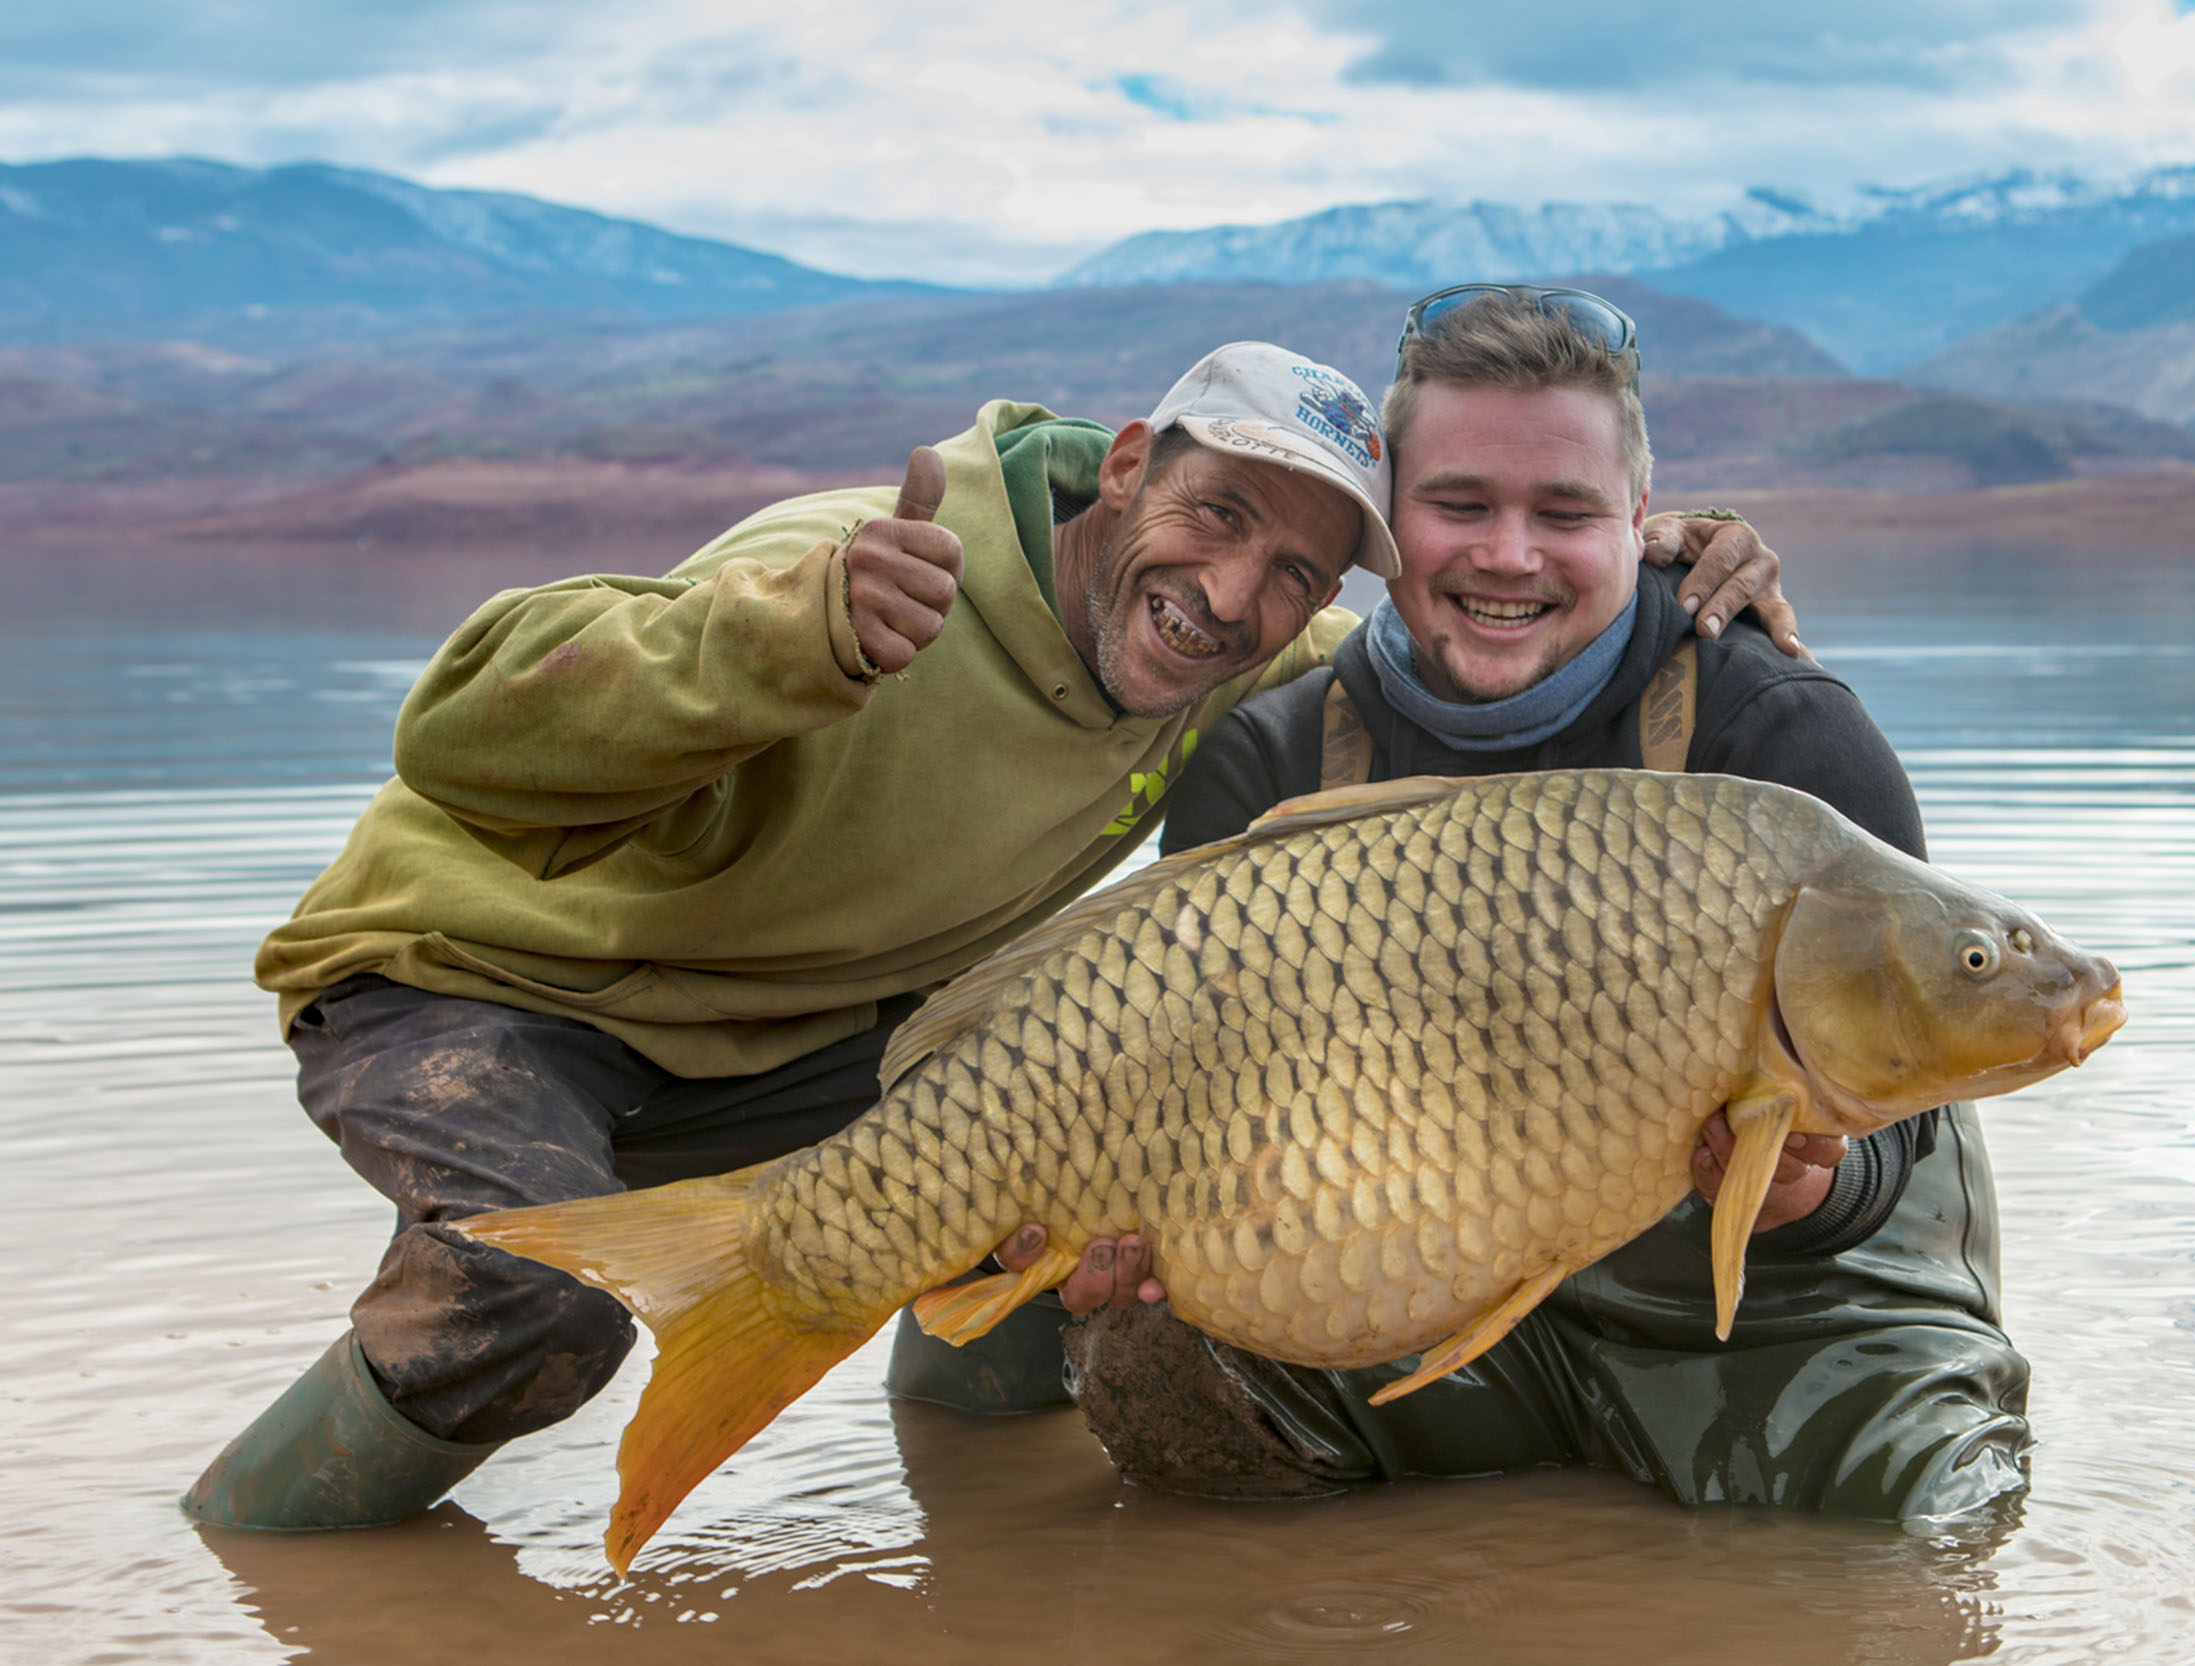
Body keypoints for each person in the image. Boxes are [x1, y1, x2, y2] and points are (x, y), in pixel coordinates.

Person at [184, 337, 1794, 1532]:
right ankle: (258, 1558)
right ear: (1126, 464)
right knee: (527, 1304)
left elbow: (1471, 618)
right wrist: (783, 641)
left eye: (1289, 565)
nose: (1233, 593)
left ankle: (977, 1570)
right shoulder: (867, 568)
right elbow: (456, 732)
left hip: (799, 1041)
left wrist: (1662, 554)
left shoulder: (1240, 650)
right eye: (1215, 515)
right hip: (485, 985)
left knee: (1065, 1189)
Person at [1055, 287, 2033, 1521]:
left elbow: (1907, 1113)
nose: (1506, 554)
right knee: (1139, 1354)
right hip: (1421, 1302)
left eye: (1563, 513)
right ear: (1385, 525)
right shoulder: (1272, 757)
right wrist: (1144, 1233)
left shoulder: (1776, 728)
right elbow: (1188, 1100)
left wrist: (1811, 1188)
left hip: (1790, 1318)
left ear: (1642, 521)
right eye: (1458, 504)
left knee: (1940, 1515)